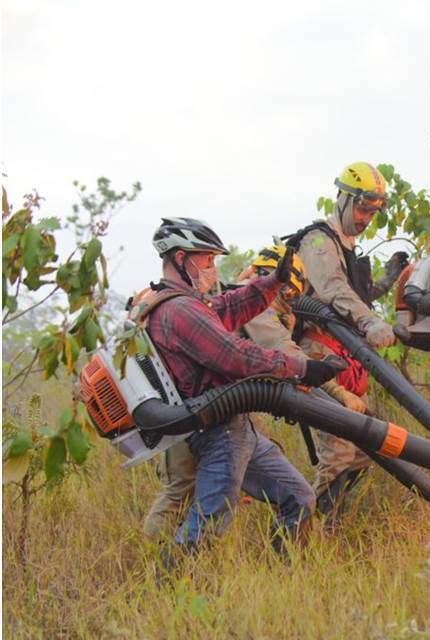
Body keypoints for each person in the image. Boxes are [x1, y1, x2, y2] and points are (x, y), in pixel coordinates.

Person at [141, 218, 342, 556]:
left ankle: (286, 573)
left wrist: (272, 282)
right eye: (206, 258)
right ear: (180, 258)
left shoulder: (189, 303)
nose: (212, 267)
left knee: (299, 497)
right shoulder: (177, 311)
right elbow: (236, 357)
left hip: (237, 429)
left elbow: (231, 307)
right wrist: (303, 368)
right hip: (217, 433)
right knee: (207, 526)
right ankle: (167, 583)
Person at [287, 162, 409, 524]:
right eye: (362, 208)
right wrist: (369, 321)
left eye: (373, 211)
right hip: (321, 355)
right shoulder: (319, 241)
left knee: (364, 451)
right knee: (339, 453)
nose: (366, 217)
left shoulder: (346, 248)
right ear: (342, 198)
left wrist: (389, 277)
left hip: (349, 357)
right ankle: (302, 536)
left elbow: (357, 294)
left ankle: (329, 524)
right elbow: (332, 291)